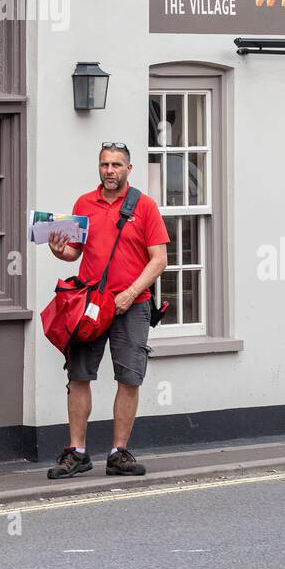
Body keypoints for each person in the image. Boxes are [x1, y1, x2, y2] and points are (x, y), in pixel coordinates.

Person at [46, 142, 168, 479]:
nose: (109, 171)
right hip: (90, 305)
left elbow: (159, 260)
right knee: (79, 376)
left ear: (129, 169)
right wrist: (59, 251)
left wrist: (130, 293)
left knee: (129, 379)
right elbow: (73, 253)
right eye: (104, 165)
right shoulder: (84, 204)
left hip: (133, 305)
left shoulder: (144, 206)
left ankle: (118, 453)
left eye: (116, 165)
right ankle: (77, 452)